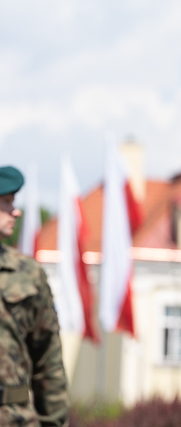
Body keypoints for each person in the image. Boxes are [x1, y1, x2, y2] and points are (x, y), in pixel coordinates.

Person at [0, 165, 69, 427]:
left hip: (13, 418)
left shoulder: (27, 273)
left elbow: (48, 359)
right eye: (6, 202)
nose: (15, 211)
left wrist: (54, 422)